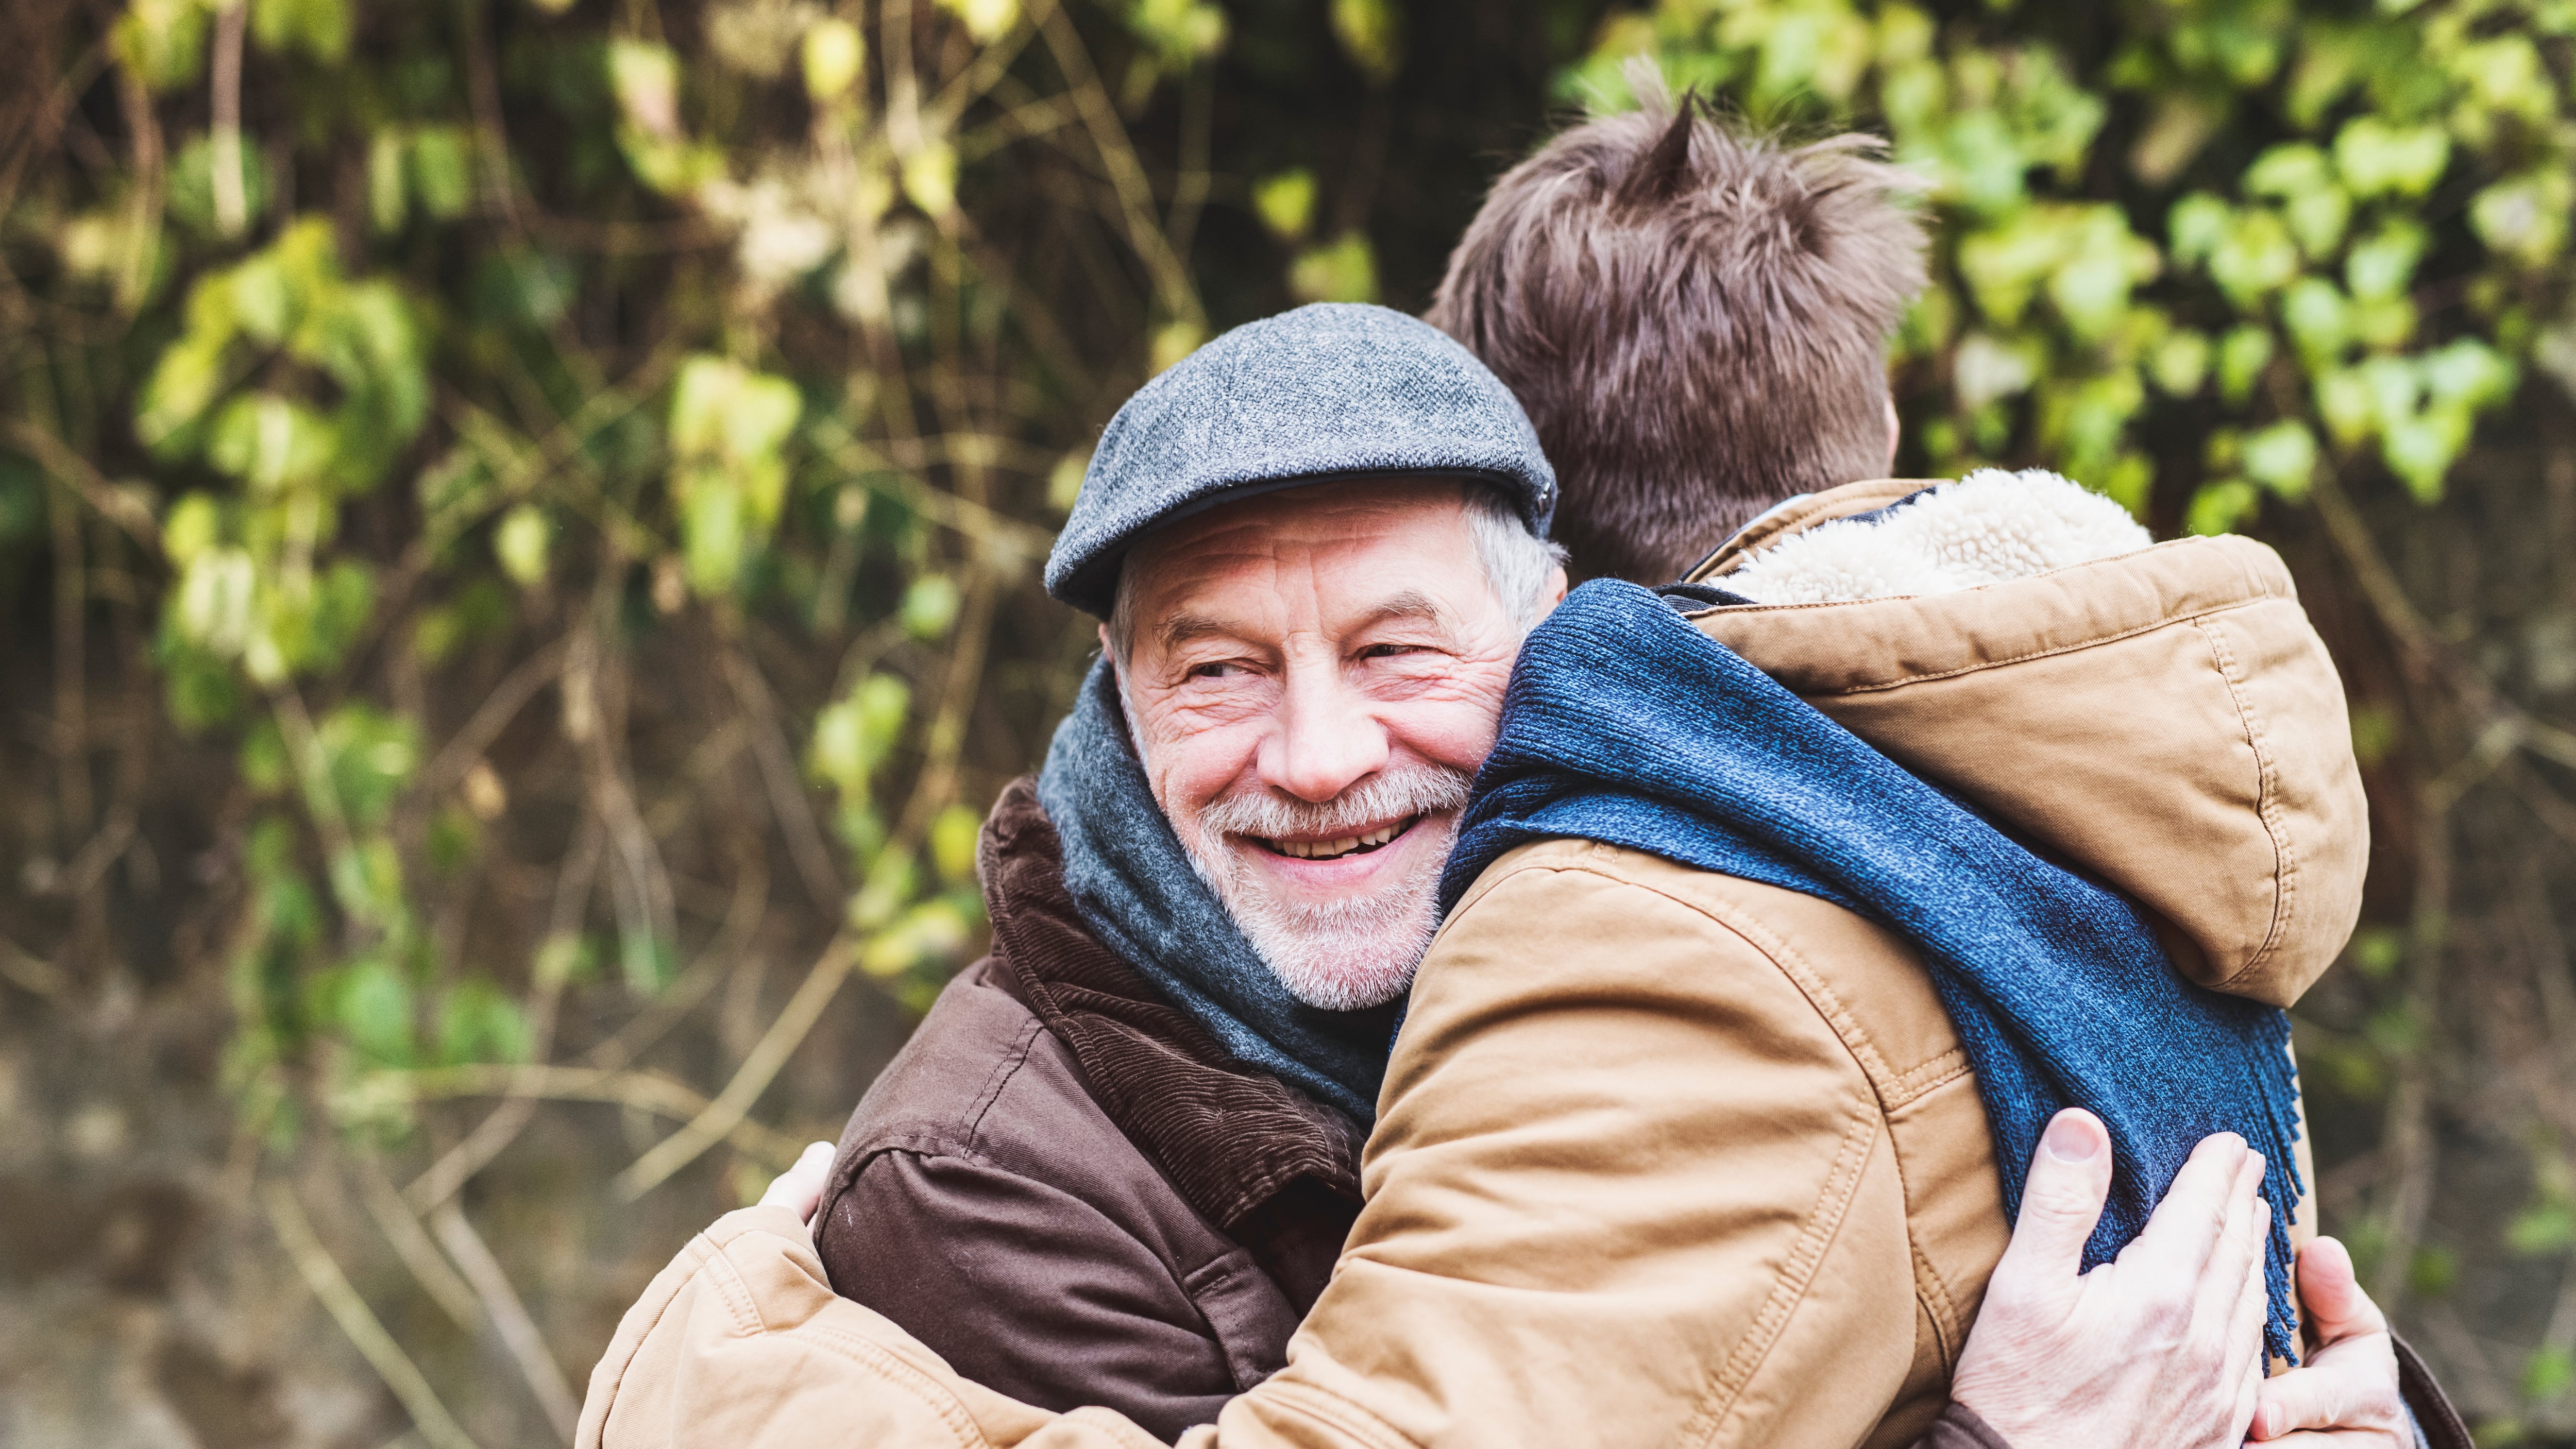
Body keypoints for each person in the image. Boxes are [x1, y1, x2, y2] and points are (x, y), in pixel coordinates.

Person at [582, 305, 2448, 1449]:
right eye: (1218, 671)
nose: (1316, 759)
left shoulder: (1674, 946)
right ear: (1121, 703)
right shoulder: (989, 1189)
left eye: (1399, 655)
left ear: (1562, 644)